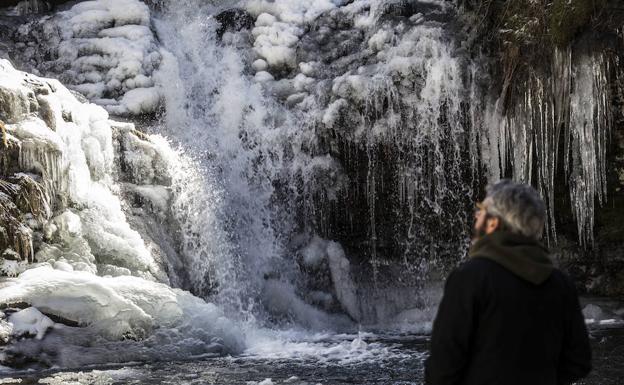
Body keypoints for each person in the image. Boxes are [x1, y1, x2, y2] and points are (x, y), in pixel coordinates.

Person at [425, 180, 591, 385]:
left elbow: (442, 366)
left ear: (493, 222)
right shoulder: (560, 283)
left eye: (481, 209)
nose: (476, 215)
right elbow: (580, 361)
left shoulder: (470, 278)